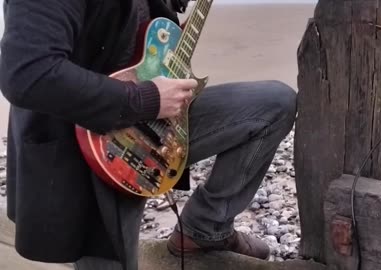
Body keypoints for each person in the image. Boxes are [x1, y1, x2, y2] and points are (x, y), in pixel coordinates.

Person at [0, 0, 297, 269]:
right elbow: (27, 74)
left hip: (154, 121)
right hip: (86, 151)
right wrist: (146, 100)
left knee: (273, 105)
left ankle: (204, 229)